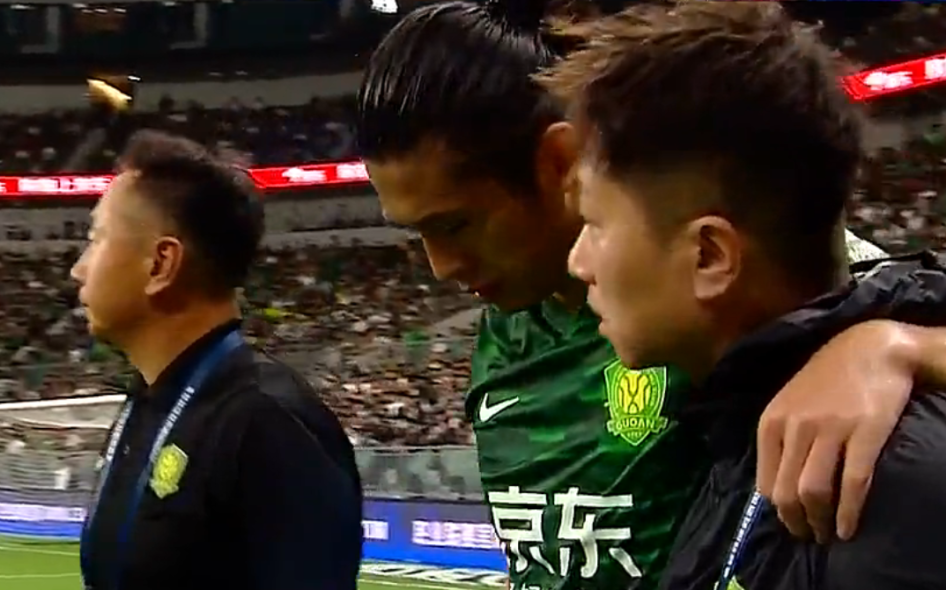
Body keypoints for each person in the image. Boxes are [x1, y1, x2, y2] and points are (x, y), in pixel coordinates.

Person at [357, 1, 946, 588]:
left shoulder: (699, 292)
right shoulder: (507, 328)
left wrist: (896, 346)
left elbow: (854, 300)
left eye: (455, 225)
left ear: (558, 162)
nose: (441, 267)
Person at [540, 3, 946, 589]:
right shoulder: (744, 433)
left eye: (595, 224)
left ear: (710, 256)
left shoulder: (878, 488)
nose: (578, 262)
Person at [73, 130, 363, 590]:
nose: (78, 268)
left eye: (96, 239)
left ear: (160, 264)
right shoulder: (147, 401)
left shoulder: (267, 420)